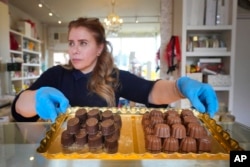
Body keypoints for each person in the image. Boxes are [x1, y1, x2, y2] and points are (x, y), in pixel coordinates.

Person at [11, 17, 218, 122]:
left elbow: (151, 91)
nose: (74, 50)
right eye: (71, 43)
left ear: (99, 48)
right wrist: (35, 98)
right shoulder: (56, 75)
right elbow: (18, 109)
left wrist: (180, 87)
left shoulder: (114, 77)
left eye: (83, 43)